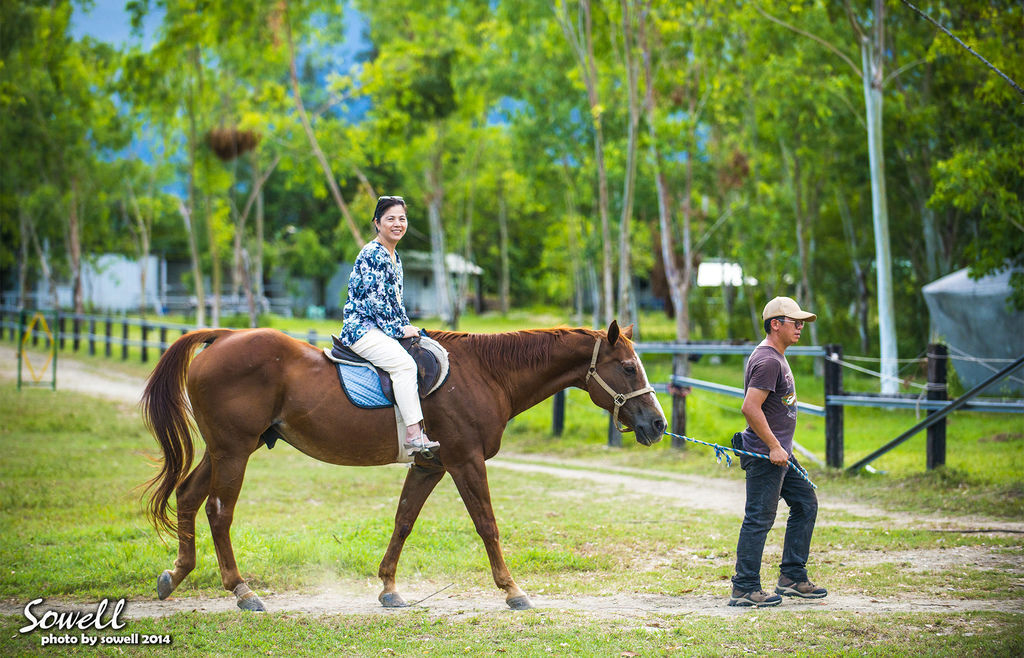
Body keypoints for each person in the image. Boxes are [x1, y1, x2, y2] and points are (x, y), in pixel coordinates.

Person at [728, 296, 827, 607]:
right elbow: (750, 407)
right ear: (775, 324)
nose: (800, 327)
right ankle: (744, 587)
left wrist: (781, 448)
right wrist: (773, 446)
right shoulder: (769, 360)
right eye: (794, 322)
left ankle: (792, 577)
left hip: (780, 453)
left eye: (801, 322)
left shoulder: (776, 357)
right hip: (766, 454)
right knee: (759, 518)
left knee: (805, 503)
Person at [339, 195, 439, 455]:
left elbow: (395, 302)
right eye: (390, 219)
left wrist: (408, 326)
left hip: (381, 326)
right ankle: (413, 434)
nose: (398, 224)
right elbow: (376, 303)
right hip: (362, 328)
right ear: (377, 223)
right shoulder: (373, 253)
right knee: (405, 365)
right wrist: (398, 330)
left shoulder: (394, 256)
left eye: (402, 219)